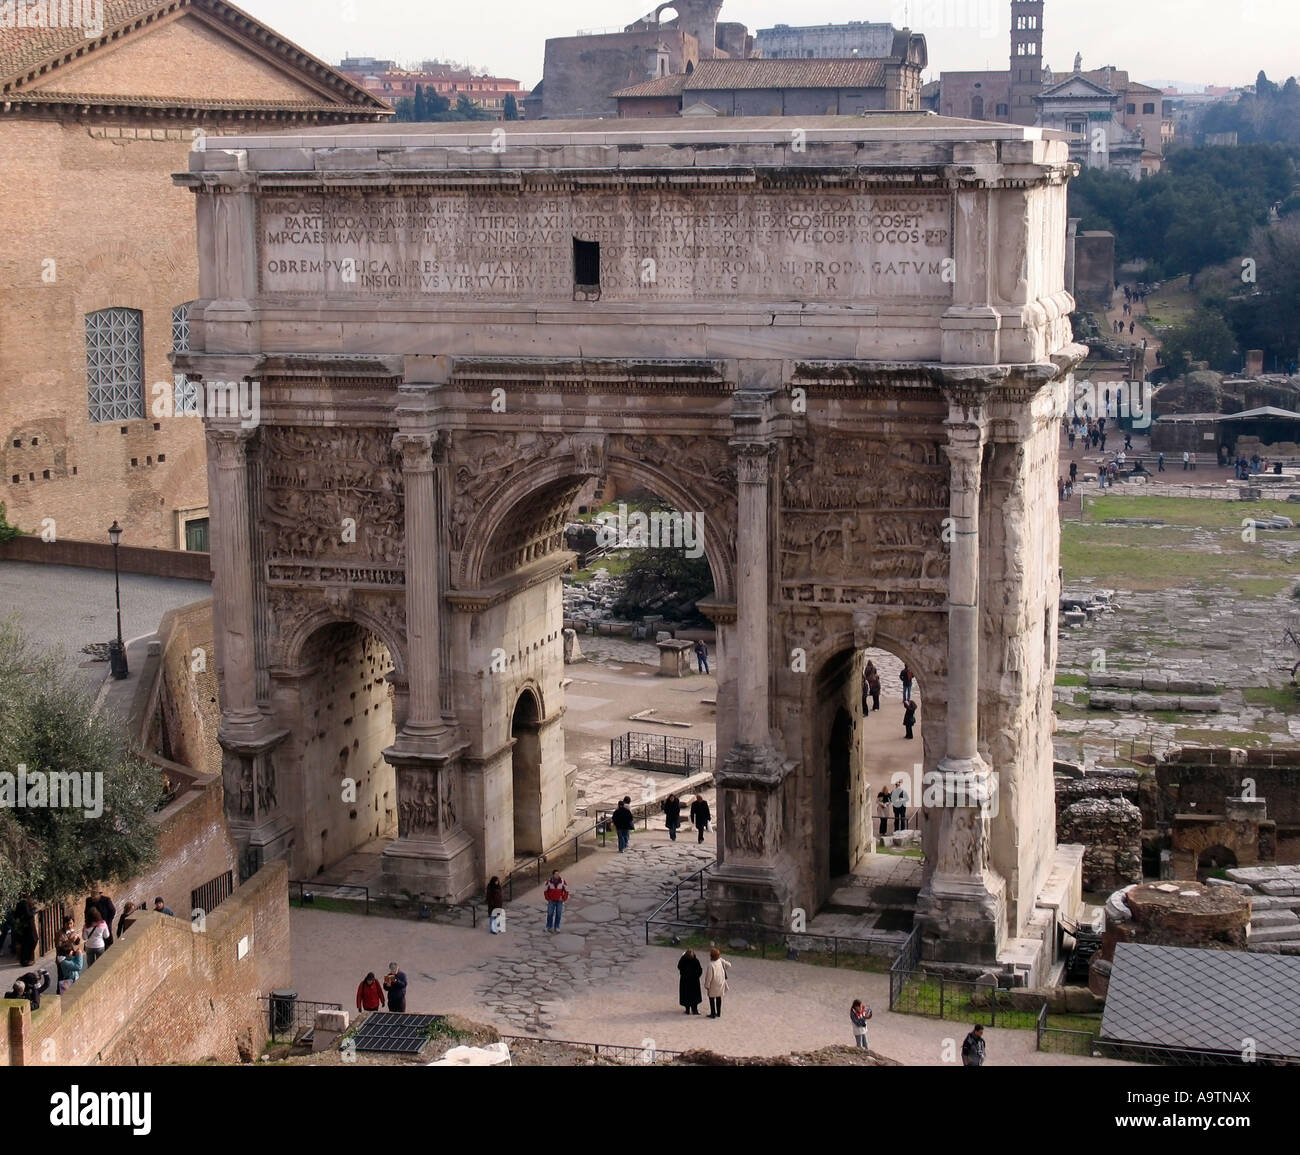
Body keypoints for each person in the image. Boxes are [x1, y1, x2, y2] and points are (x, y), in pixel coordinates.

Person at [703, 947, 732, 1019]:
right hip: (721, 982)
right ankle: (718, 1013)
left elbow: (709, 977)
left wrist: (707, 985)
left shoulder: (710, 965)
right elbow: (729, 965)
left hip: (713, 984)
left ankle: (713, 1013)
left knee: (711, 998)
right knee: (719, 997)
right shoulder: (720, 961)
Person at [12, 898, 39, 967]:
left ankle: (26, 959)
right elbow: (28, 914)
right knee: (30, 941)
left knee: (28, 942)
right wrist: (34, 911)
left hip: (26, 926)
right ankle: (25, 960)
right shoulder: (23, 903)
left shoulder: (23, 902)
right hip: (27, 926)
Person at [56, 918, 83, 984]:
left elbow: (76, 943)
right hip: (63, 957)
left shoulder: (73, 931)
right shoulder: (59, 933)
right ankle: (60, 992)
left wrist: (77, 938)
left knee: (73, 974)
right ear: (64, 924)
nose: (69, 925)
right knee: (62, 978)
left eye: (71, 923)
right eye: (67, 924)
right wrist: (69, 941)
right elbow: (59, 946)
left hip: (72, 956)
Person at [677, 948, 703, 1015]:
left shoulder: (683, 960)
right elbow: (700, 970)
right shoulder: (695, 961)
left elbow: (679, 966)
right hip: (694, 982)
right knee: (694, 996)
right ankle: (695, 1010)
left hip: (685, 981)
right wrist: (697, 976)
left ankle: (687, 1010)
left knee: (686, 996)